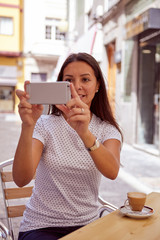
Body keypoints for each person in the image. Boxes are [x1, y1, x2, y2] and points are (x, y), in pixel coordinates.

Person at [13, 52, 122, 240]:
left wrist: (84, 133)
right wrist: (28, 125)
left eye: (85, 79)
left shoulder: (107, 130)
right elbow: (21, 179)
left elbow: (112, 171)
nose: (77, 87)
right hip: (41, 226)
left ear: (97, 86)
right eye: (69, 80)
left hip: (88, 225)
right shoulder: (45, 124)